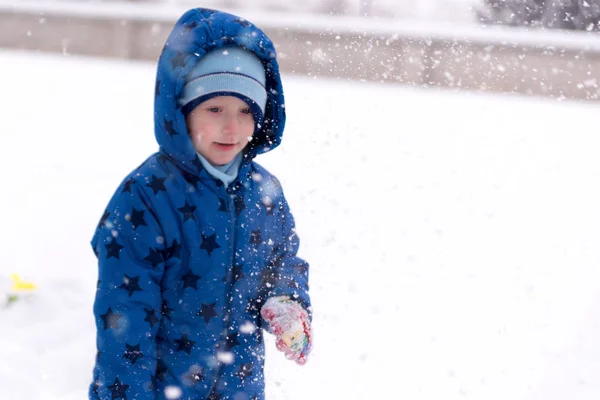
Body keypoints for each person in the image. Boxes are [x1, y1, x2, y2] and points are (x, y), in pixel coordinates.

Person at [89, 8, 312, 400]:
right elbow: (125, 319)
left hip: (239, 387)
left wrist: (285, 300)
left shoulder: (264, 193)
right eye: (215, 109)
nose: (232, 127)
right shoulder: (146, 196)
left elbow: (282, 261)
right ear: (182, 111)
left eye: (246, 111)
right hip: (160, 389)